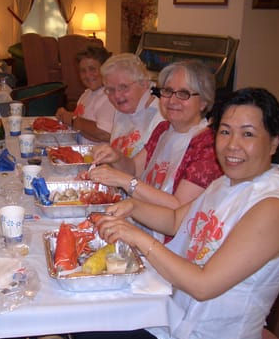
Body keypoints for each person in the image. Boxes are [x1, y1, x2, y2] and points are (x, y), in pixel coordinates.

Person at [72, 87, 279, 339]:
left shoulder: (273, 209)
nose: (232, 145)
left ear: (274, 142)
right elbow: (176, 220)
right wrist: (132, 206)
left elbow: (203, 285)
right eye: (225, 132)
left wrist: (138, 237)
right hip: (178, 315)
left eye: (248, 134)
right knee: (96, 314)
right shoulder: (227, 183)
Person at [88, 60, 223, 240]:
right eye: (167, 91)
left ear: (204, 102)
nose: (172, 100)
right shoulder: (163, 129)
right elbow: (135, 169)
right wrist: (116, 157)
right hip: (140, 224)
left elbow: (178, 209)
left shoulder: (208, 145)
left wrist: (126, 181)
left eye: (183, 93)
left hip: (174, 243)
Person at [100, 53, 165, 158]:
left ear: (144, 84)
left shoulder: (161, 117)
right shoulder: (121, 111)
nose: (117, 95)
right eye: (111, 90)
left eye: (124, 87)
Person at [55, 45, 114, 143]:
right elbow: (80, 124)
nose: (87, 75)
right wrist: (65, 116)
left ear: (105, 69)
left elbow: (104, 134)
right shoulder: (87, 94)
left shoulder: (110, 97)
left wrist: (72, 120)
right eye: (83, 71)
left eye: (92, 69)